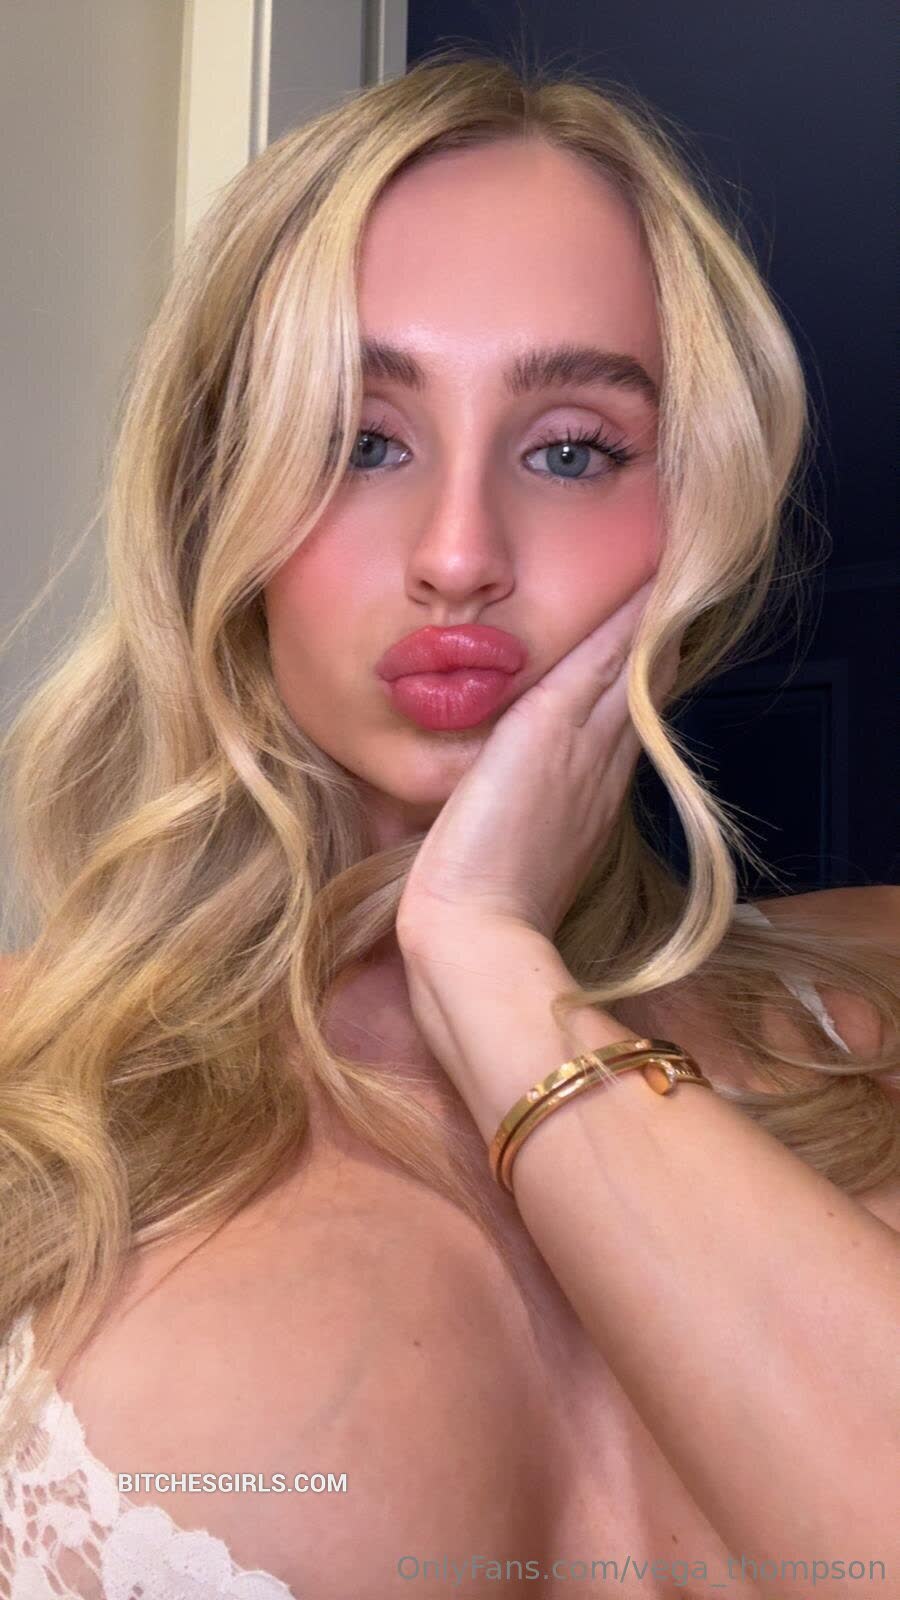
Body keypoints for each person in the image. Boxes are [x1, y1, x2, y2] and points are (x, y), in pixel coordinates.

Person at [0, 49, 898, 1600]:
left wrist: (487, 960)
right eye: (358, 439)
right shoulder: (36, 1104)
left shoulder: (863, 1016)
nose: (461, 553)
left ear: (694, 511)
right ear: (214, 501)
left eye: (572, 449)